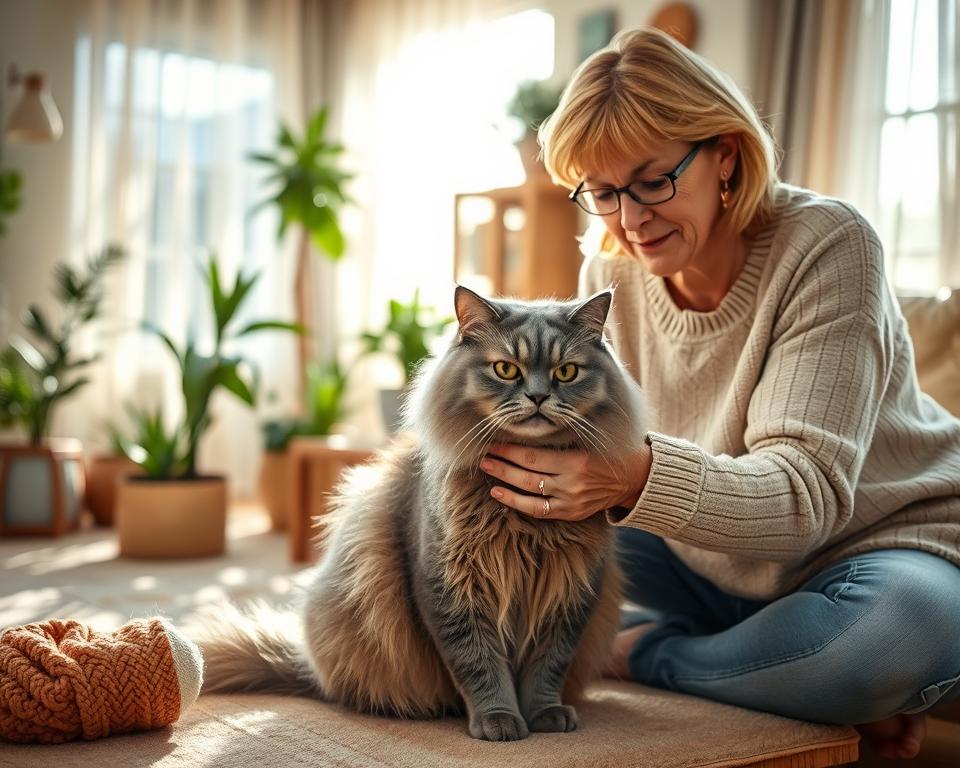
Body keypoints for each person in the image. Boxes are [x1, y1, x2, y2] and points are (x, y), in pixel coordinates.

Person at [478, 27, 960, 761]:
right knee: (517, 541)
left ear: (725, 155)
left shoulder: (828, 243)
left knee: (885, 641)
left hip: (876, 543)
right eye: (602, 193)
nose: (631, 219)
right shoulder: (608, 280)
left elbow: (804, 500)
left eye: (652, 181)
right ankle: (763, 667)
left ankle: (650, 656)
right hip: (701, 553)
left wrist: (633, 476)